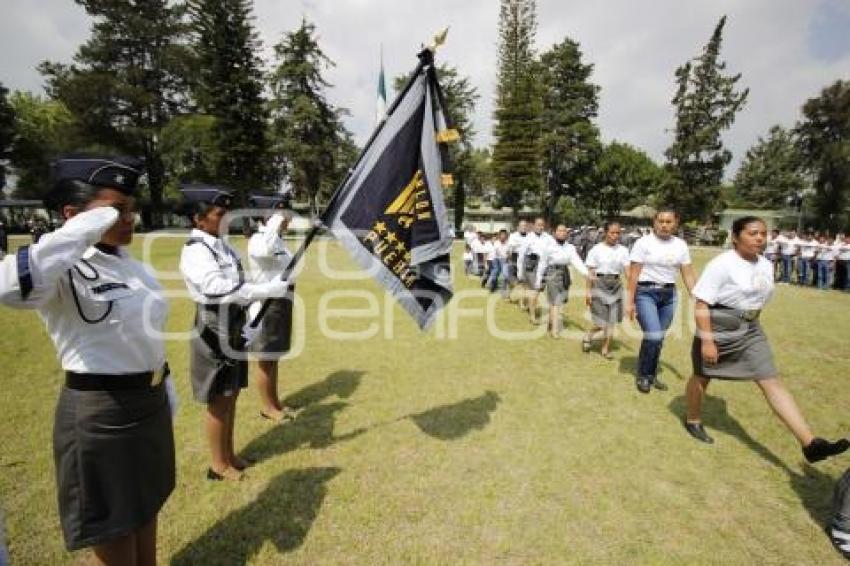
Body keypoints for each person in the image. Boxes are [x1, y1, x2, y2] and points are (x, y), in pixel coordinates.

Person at [0, 157, 176, 564]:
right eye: (116, 209)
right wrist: (77, 231)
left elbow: (145, 336)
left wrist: (164, 385)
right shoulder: (62, 266)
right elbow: (10, 288)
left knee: (146, 504)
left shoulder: (133, 266)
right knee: (114, 522)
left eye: (131, 208)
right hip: (100, 413)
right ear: (73, 215)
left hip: (147, 402)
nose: (129, 218)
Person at [682, 216, 849, 464]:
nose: (760, 238)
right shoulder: (722, 264)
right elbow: (702, 303)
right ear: (736, 237)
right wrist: (708, 340)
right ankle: (693, 419)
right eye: (752, 233)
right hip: (719, 327)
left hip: (751, 329)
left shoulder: (765, 264)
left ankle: (810, 443)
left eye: (763, 233)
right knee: (702, 376)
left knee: (770, 380)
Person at [179, 185, 290, 481]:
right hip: (214, 324)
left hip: (234, 320)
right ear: (198, 219)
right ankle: (218, 464)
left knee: (232, 393)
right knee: (219, 397)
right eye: (219, 213)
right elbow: (217, 288)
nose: (226, 217)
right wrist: (266, 290)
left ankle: (229, 455)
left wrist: (250, 317)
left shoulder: (221, 245)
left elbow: (238, 284)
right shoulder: (196, 250)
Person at [626, 209, 696, 393]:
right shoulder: (643, 243)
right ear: (654, 222)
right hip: (645, 293)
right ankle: (643, 375)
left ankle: (650, 375)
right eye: (661, 221)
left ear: (676, 223)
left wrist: (696, 298)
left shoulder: (680, 245)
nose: (664, 225)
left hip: (669, 296)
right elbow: (633, 274)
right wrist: (630, 301)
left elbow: (687, 273)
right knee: (654, 335)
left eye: (669, 221)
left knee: (658, 338)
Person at [247, 200, 298, 422]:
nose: (288, 219)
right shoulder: (259, 240)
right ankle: (268, 407)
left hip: (281, 302)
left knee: (274, 357)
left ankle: (275, 402)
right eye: (284, 214)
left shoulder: (275, 238)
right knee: (266, 359)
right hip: (266, 305)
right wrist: (276, 220)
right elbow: (267, 250)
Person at [582, 221, 630, 359]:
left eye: (618, 233)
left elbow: (628, 272)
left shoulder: (624, 250)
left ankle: (605, 349)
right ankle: (589, 335)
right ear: (605, 233)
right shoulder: (596, 250)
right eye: (612, 233)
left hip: (616, 285)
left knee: (612, 320)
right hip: (599, 284)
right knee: (601, 321)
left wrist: (633, 289)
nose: (615, 236)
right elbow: (590, 273)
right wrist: (588, 292)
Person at [534, 224, 588, 338]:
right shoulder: (548, 246)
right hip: (552, 272)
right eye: (559, 231)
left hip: (565, 273)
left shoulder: (570, 247)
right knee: (555, 302)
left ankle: (550, 321)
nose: (562, 233)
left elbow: (576, 261)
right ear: (555, 233)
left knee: (561, 300)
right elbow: (542, 263)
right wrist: (538, 280)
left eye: (564, 231)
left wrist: (586, 273)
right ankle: (555, 330)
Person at [517, 217, 551, 324]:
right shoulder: (529, 237)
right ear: (534, 225)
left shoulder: (548, 238)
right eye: (538, 225)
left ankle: (528, 305)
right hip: (531, 265)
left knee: (537, 290)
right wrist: (519, 271)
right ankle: (532, 317)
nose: (540, 227)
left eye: (542, 225)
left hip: (543, 265)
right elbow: (521, 255)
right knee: (534, 291)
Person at [506, 220, 529, 304]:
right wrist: (509, 259)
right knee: (511, 280)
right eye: (522, 226)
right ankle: (509, 295)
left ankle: (521, 301)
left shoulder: (530, 237)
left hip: (525, 260)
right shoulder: (513, 236)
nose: (523, 227)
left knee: (523, 281)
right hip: (514, 258)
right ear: (518, 227)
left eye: (525, 226)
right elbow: (510, 248)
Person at [486, 229, 510, 297]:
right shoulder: (496, 243)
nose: (503, 236)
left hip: (504, 259)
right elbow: (494, 253)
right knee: (495, 272)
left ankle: (504, 290)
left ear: (506, 236)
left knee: (505, 274)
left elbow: (509, 253)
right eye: (501, 235)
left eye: (504, 235)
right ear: (499, 236)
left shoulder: (508, 243)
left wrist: (507, 258)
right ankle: (492, 286)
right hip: (496, 259)